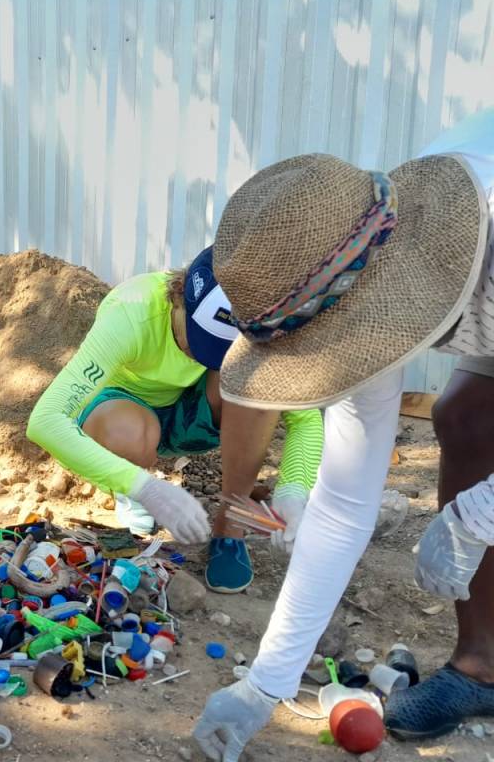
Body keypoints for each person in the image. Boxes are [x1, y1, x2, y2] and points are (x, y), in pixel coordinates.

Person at [193, 108, 494, 760]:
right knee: (465, 418)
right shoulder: (357, 273)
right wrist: (264, 684)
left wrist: (480, 511)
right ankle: (485, 665)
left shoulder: (475, 235)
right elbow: (344, 503)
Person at [27, 246, 323, 591]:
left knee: (258, 391)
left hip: (197, 406)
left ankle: (230, 529)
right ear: (180, 292)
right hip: (126, 408)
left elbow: (306, 419)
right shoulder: (132, 314)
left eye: (217, 350)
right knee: (131, 435)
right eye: (198, 341)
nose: (198, 354)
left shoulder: (258, 325)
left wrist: (292, 493)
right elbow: (45, 420)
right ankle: (129, 487)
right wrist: (146, 488)